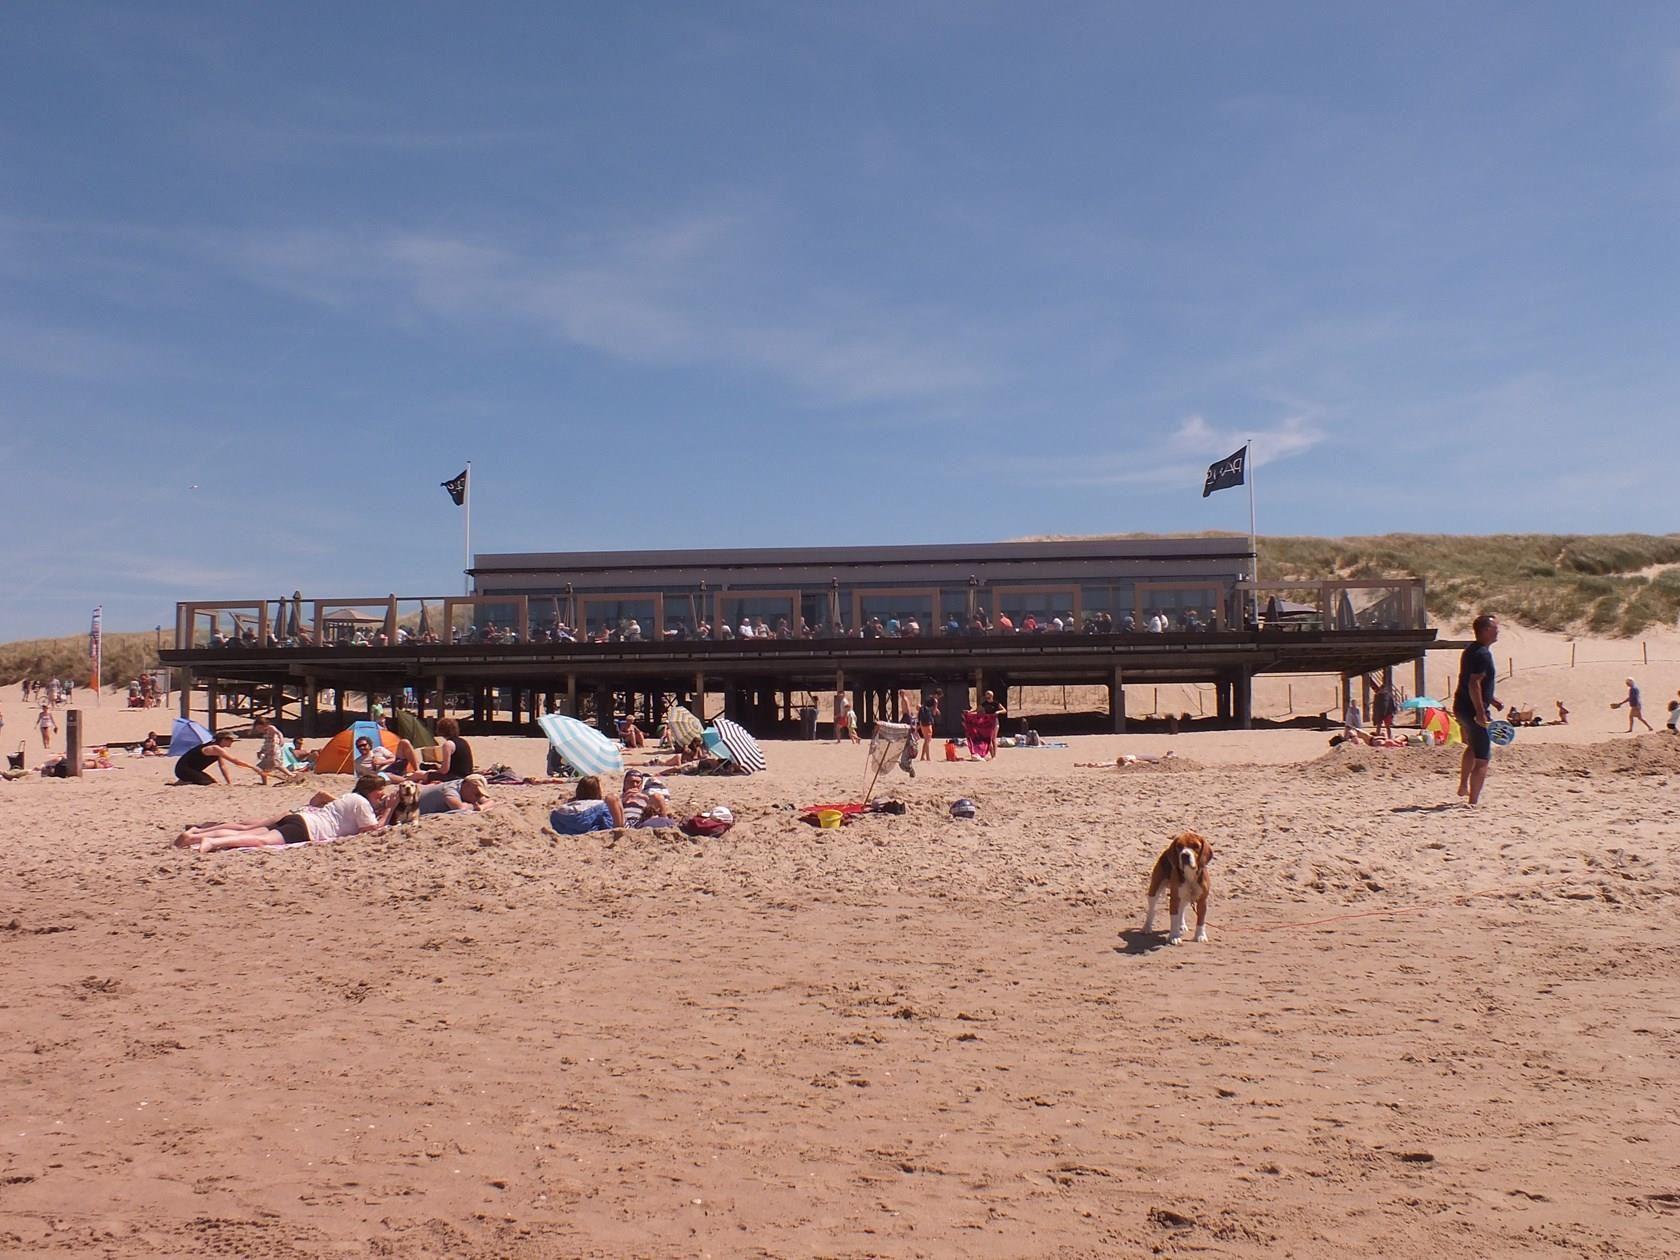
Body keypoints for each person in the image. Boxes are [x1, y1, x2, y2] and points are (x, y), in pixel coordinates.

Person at [175, 775, 397, 852]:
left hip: (299, 817)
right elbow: (370, 831)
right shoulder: (362, 804)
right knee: (260, 840)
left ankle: (195, 836)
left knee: (252, 830)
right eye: (380, 793)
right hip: (308, 829)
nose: (382, 797)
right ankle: (209, 842)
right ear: (374, 791)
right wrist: (389, 810)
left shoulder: (349, 797)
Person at [1453, 613, 1504, 806]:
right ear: (1484, 631)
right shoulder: (1482, 653)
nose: (1498, 631)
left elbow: (1471, 681)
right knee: (1483, 758)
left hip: (1461, 707)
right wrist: (1481, 713)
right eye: (1495, 628)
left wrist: (1492, 699)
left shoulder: (1471, 650)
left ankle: (1463, 785)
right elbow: (1474, 683)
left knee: (1473, 747)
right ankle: (1473, 801)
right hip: (1473, 710)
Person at [174, 730, 264, 785]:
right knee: (207, 783)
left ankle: (184, 780)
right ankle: (184, 781)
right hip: (183, 770)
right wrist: (254, 768)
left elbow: (223, 766)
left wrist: (229, 782)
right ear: (224, 740)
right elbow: (235, 761)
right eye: (231, 740)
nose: (232, 742)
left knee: (211, 782)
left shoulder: (217, 748)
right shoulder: (215, 748)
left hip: (187, 770)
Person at [549, 775, 624, 834]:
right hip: (586, 822)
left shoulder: (561, 809)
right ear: (597, 791)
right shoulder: (600, 805)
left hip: (565, 822)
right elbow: (607, 826)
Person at [417, 774, 493, 814]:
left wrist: (481, 807)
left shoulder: (466, 788)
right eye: (476, 794)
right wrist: (474, 806)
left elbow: (490, 802)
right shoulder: (450, 790)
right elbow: (459, 808)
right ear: (467, 785)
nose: (477, 798)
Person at [429, 716, 474, 781]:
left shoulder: (448, 744)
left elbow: (444, 770)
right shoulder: (463, 741)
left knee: (418, 774)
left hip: (455, 777)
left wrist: (434, 772)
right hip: (467, 775)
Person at [916, 693, 938, 761]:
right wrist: (936, 706)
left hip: (923, 723)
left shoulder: (922, 709)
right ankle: (927, 757)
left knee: (926, 740)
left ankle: (923, 757)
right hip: (927, 723)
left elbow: (918, 717)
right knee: (927, 739)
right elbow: (934, 713)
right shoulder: (928, 710)